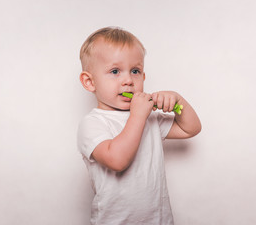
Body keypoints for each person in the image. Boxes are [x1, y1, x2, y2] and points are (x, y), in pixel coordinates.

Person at [77, 27, 201, 225]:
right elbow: (117, 160)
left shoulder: (149, 118)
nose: (128, 80)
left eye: (135, 71)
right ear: (90, 82)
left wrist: (179, 101)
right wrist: (138, 115)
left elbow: (191, 129)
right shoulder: (93, 124)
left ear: (143, 77)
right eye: (115, 71)